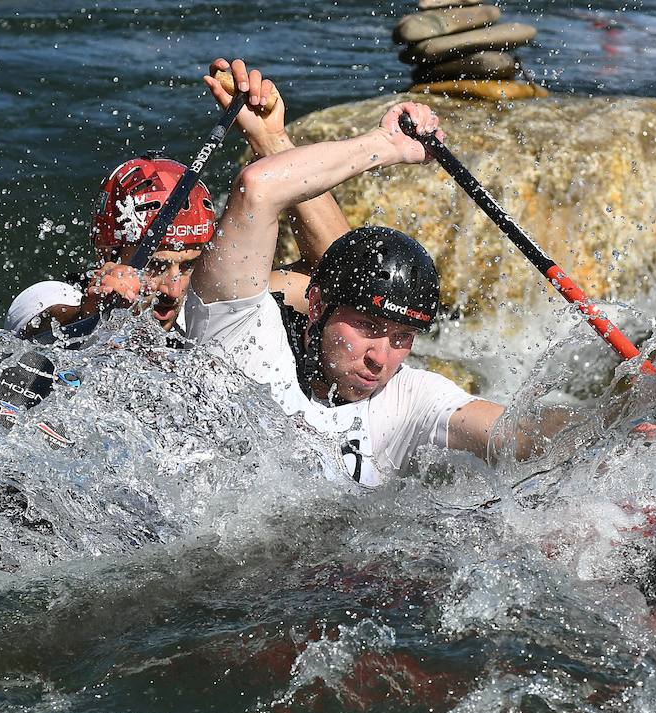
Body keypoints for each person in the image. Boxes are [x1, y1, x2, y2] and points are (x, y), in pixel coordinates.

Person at [185, 101, 573, 487]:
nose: (380, 358)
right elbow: (258, 189)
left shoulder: (407, 396)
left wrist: (617, 416)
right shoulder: (240, 334)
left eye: (402, 337)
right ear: (317, 305)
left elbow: (517, 432)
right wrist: (387, 145)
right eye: (368, 327)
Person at [0, 59, 350, 417]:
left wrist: (271, 142)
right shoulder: (54, 297)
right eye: (157, 264)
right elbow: (39, 325)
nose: (172, 288)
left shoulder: (220, 308)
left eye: (190, 264)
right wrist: (91, 312)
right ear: (109, 251)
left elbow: (347, 277)